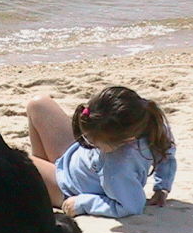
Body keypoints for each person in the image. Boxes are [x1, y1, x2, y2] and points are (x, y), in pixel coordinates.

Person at [26, 86, 176, 218]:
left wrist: (83, 203)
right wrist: (162, 187)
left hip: (66, 185)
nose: (87, 143)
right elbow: (167, 153)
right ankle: (38, 177)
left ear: (127, 140)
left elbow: (132, 207)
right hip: (72, 159)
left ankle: (39, 184)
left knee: (15, 159)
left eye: (93, 143)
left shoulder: (116, 168)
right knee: (38, 103)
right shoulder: (152, 124)